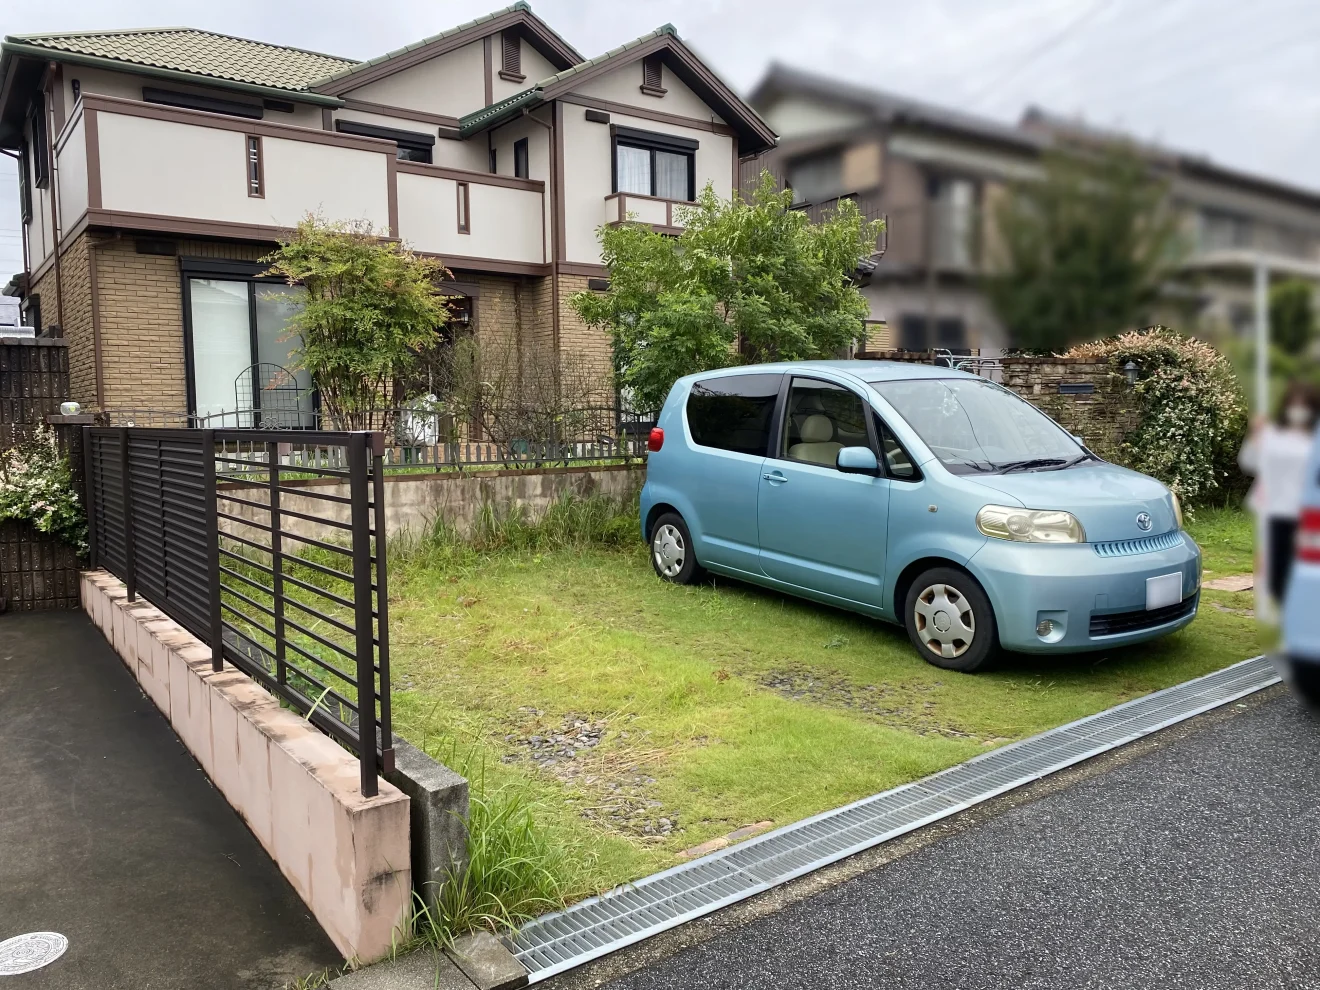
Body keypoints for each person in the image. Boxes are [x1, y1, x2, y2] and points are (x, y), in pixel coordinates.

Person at [1239, 381, 1320, 609]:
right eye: (1294, 404)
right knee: (1276, 569)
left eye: (1304, 405)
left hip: (1309, 512)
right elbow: (1249, 463)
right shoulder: (1273, 434)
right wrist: (1255, 435)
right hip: (1275, 510)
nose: (1298, 410)